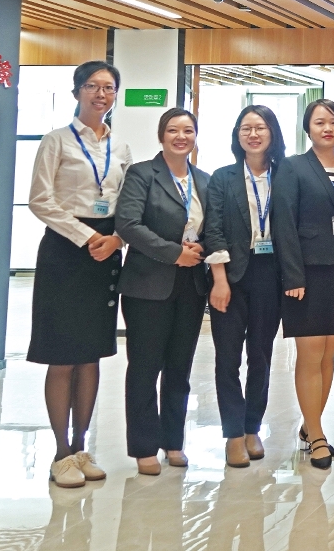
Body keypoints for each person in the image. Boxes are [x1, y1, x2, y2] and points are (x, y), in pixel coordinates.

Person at [28, 61, 132, 489]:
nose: (100, 94)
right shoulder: (55, 140)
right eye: (92, 86)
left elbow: (128, 203)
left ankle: (80, 446)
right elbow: (40, 200)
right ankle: (60, 453)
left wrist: (117, 238)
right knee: (62, 354)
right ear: (76, 92)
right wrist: (87, 236)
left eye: (108, 87)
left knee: (90, 353)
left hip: (106, 252)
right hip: (65, 251)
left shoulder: (120, 146)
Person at [204, 105, 304, 468]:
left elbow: (294, 225)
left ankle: (251, 427)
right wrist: (219, 279)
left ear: (272, 133)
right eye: (245, 128)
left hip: (269, 275)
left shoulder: (285, 175)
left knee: (261, 356)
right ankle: (233, 434)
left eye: (260, 127)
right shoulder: (223, 177)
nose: (253, 134)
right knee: (227, 357)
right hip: (231, 275)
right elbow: (213, 228)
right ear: (237, 135)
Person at [115, 108, 211, 475]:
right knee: (145, 367)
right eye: (173, 130)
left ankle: (173, 441)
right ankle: (144, 447)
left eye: (188, 130)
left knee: (179, 368)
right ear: (161, 136)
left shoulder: (203, 180)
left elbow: (211, 228)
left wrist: (202, 249)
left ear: (195, 137)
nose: (181, 136)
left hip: (191, 286)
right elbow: (128, 224)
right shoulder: (142, 174)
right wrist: (174, 253)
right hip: (147, 285)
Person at [280, 99, 334, 469]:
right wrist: (293, 275)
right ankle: (316, 435)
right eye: (319, 122)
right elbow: (283, 222)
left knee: (330, 354)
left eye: (333, 122)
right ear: (308, 127)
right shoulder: (293, 167)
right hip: (307, 274)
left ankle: (309, 422)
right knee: (310, 354)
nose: (327, 128)